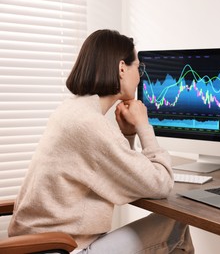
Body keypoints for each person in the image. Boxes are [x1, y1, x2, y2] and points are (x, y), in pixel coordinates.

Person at [8, 29, 194, 253]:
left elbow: (117, 172)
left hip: (37, 245)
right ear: (122, 68)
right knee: (176, 222)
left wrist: (128, 134)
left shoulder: (72, 110)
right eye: (139, 67)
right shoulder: (91, 124)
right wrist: (144, 126)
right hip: (64, 248)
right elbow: (160, 184)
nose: (140, 76)